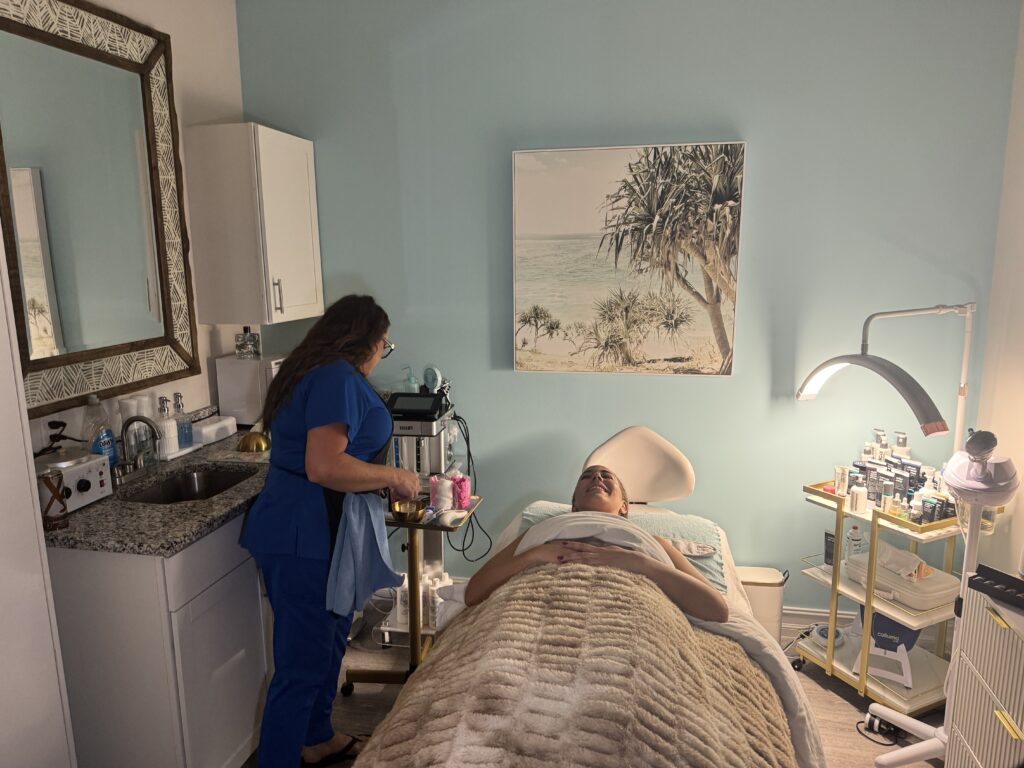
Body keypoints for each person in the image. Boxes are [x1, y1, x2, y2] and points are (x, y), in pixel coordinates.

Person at [240, 295, 420, 767]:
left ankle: (317, 737)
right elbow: (323, 466)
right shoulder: (335, 378)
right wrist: (394, 476)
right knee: (302, 666)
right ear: (368, 340)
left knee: (329, 642)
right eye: (385, 344)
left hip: (322, 529)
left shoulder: (317, 371)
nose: (383, 352)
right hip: (305, 534)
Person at [464, 465, 729, 622]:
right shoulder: (541, 532)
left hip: (637, 610)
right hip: (537, 607)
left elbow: (717, 609)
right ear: (574, 505)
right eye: (587, 477)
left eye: (606, 476)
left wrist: (639, 563)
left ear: (624, 506)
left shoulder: (653, 543)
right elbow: (473, 592)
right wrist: (535, 555)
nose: (597, 479)